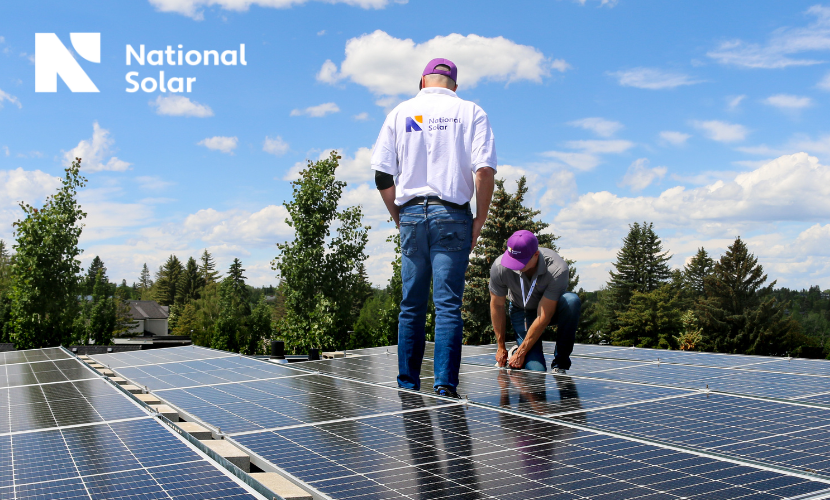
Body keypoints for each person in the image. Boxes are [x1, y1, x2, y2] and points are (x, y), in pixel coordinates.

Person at [371, 58, 497, 398]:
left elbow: (382, 174)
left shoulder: (400, 113)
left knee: (411, 305)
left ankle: (408, 385)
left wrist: (400, 216)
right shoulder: (472, 112)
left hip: (411, 212)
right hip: (452, 215)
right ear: (454, 86)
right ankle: (444, 386)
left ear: (422, 81)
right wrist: (479, 220)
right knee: (447, 306)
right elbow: (484, 171)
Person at [489, 230, 581, 373]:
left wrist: (522, 352)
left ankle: (560, 364)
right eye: (512, 259)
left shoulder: (556, 269)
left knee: (571, 301)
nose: (514, 266)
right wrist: (501, 347)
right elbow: (497, 305)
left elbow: (543, 316)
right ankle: (517, 351)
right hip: (522, 310)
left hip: (548, 309)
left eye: (520, 262)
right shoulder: (500, 267)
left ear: (536, 255)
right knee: (536, 370)